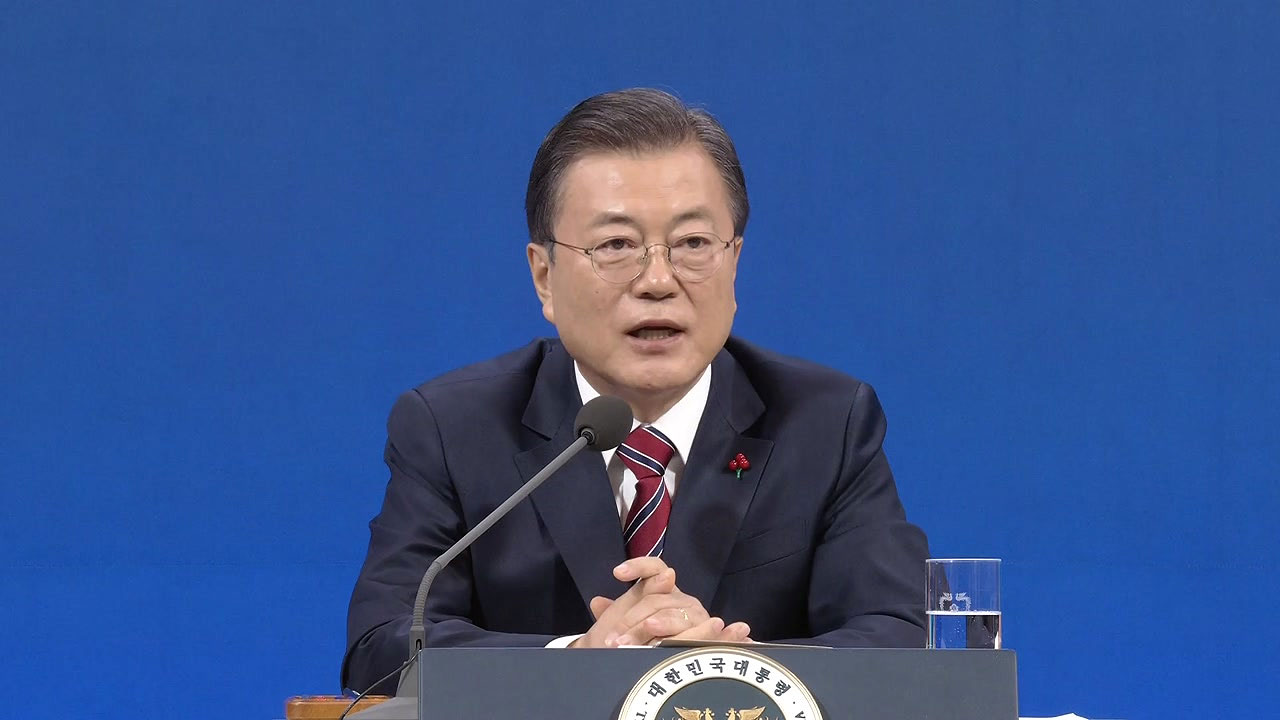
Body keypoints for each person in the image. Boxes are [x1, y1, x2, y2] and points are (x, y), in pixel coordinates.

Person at [342, 88, 930, 694]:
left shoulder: (826, 423)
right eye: (616, 246)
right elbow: (384, 646)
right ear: (544, 276)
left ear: (734, 262)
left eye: (693, 244)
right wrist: (578, 658)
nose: (657, 281)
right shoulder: (453, 427)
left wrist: (729, 667)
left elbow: (904, 638)